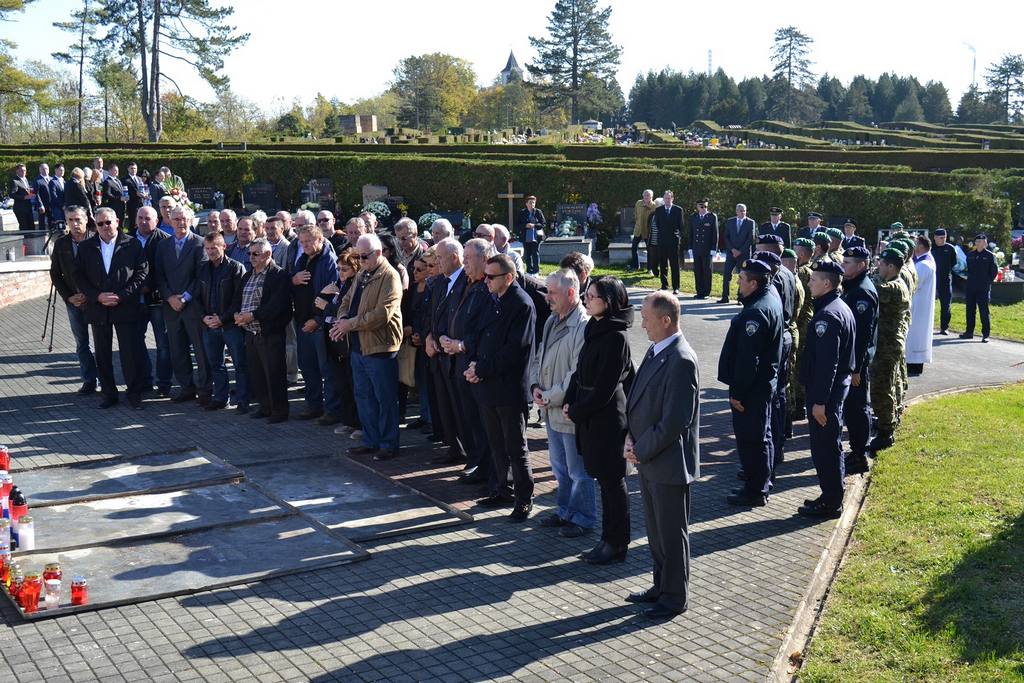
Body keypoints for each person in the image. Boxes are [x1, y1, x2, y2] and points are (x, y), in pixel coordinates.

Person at [625, 291, 700, 620]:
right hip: (648, 459)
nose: (642, 325)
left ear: (666, 320)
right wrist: (630, 437)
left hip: (668, 463)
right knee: (656, 532)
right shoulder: (657, 350)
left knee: (671, 534)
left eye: (646, 319)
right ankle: (661, 586)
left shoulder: (681, 359)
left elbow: (674, 423)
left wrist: (639, 449)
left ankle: (674, 597)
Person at [565, 277, 636, 565]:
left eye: (592, 296)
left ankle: (616, 543)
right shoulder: (595, 328)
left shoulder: (616, 337)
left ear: (608, 302)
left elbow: (606, 388)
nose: (586, 299)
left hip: (607, 421)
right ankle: (607, 539)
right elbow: (580, 370)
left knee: (612, 483)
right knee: (604, 482)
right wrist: (570, 399)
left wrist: (577, 410)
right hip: (590, 416)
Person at [465, 254, 537, 521]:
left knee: (516, 447)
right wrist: (474, 364)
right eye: (485, 275)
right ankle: (502, 489)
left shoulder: (521, 304)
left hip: (508, 389)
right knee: (496, 444)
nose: (485, 281)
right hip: (487, 385)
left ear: (508, 277)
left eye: (491, 277)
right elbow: (477, 333)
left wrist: (481, 369)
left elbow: (514, 350)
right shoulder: (491, 298)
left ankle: (524, 499)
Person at [531, 268, 594, 537]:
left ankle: (583, 518)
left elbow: (577, 373)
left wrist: (549, 396)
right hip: (550, 409)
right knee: (560, 468)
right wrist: (535, 386)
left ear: (570, 293)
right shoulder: (551, 320)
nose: (547, 297)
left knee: (578, 470)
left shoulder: (583, 325)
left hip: (567, 412)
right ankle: (565, 511)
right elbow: (539, 357)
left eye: (552, 292)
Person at [331, 233, 404, 461]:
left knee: (385, 398)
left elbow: (382, 314)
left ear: (379, 253)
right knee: (363, 396)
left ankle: (388, 444)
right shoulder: (362, 274)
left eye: (364, 256)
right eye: (358, 257)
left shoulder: (390, 276)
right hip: (358, 346)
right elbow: (346, 300)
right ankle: (371, 440)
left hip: (380, 346)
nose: (361, 261)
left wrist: (349, 324)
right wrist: (343, 319)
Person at [718, 259, 782, 507]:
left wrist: (737, 393)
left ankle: (755, 491)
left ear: (753, 284)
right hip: (763, 385)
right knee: (762, 436)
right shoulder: (769, 299)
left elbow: (748, 360)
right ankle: (762, 483)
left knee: (752, 440)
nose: (738, 282)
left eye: (742, 279)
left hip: (752, 390)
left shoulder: (755, 312)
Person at [74, 207, 148, 410]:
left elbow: (141, 273)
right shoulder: (86, 247)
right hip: (98, 307)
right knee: (102, 353)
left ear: (117, 221)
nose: (105, 227)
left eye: (108, 222)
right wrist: (96, 296)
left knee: (130, 353)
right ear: (95, 226)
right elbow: (78, 276)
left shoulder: (132, 244)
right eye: (100, 224)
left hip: (125, 306)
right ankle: (109, 394)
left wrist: (121, 296)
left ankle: (134, 394)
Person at [798, 260, 856, 518]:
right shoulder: (838, 307)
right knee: (829, 445)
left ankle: (831, 502)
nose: (809, 283)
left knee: (825, 448)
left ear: (827, 283)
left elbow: (826, 364)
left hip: (826, 394)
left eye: (813, 279)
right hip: (835, 388)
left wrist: (820, 401)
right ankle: (830, 496)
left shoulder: (828, 316)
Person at [437, 239, 494, 484]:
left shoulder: (487, 288)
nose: (465, 262)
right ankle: (476, 462)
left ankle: (487, 468)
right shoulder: (467, 283)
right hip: (457, 361)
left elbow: (484, 329)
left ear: (484, 259)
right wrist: (442, 336)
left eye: (469, 258)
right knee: (467, 417)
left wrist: (461, 344)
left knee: (482, 421)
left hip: (474, 363)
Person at [156, 204, 211, 405]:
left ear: (190, 220)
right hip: (171, 308)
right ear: (170, 221)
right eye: (176, 219)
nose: (180, 223)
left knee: (201, 351)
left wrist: (185, 297)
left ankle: (205, 390)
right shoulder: (163, 245)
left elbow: (201, 275)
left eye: (184, 219)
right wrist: (169, 297)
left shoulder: (199, 243)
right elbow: (159, 275)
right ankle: (187, 388)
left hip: (193, 307)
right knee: (177, 351)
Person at [235, 239, 293, 423]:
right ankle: (265, 406)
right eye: (249, 253)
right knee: (257, 373)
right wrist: (237, 314)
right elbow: (238, 299)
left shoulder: (279, 275)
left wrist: (252, 315)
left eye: (255, 254)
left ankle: (279, 411)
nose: (251, 257)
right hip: (250, 333)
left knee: (274, 373)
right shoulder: (248, 275)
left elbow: (277, 306)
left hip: (269, 332)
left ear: (268, 254)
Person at [292, 224, 342, 425]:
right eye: (302, 242)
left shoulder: (329, 261)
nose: (304, 245)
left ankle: (332, 410)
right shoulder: (302, 259)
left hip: (320, 325)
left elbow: (334, 293)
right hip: (302, 321)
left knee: (326, 370)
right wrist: (293, 280)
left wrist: (317, 320)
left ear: (320, 240)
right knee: (307, 367)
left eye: (308, 241)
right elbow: (294, 287)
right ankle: (314, 406)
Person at [755, 239, 795, 470]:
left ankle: (774, 448)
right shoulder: (787, 272)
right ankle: (779, 443)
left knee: (773, 398)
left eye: (759, 251)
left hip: (776, 339)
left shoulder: (773, 278)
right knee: (780, 393)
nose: (755, 254)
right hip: (786, 335)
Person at [197, 233, 248, 412]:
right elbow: (196, 297)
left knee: (240, 364)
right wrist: (203, 317)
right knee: (216, 364)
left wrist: (222, 318)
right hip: (209, 324)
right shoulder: (202, 269)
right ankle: (220, 398)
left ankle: (243, 400)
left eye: (214, 248)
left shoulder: (236, 268)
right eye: (207, 248)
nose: (210, 252)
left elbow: (239, 299)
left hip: (230, 325)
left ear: (224, 247)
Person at [50, 205, 97, 394]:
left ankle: (107, 380)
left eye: (78, 219)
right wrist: (69, 297)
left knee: (102, 342)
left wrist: (90, 294)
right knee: (81, 343)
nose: (75, 224)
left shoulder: (96, 239)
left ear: (86, 219)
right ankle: (89, 381)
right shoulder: (61, 244)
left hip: (95, 300)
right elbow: (55, 274)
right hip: (74, 301)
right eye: (70, 220)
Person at [840, 246, 879, 476]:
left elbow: (863, 335)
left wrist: (856, 368)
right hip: (852, 360)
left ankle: (859, 455)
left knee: (857, 408)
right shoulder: (853, 286)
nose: (843, 266)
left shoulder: (862, 292)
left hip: (857, 363)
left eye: (848, 263)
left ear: (862, 265)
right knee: (852, 408)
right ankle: (856, 451)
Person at [868, 248, 911, 452]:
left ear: (891, 267)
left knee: (881, 389)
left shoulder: (894, 287)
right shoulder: (895, 283)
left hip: (888, 345)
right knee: (885, 387)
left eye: (882, 264)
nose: (878, 267)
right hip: (887, 343)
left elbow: (872, 290)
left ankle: (886, 432)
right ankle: (887, 422)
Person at [322, 249, 364, 437]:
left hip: (350, 342)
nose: (341, 273)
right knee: (343, 384)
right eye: (338, 269)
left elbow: (348, 310)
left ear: (355, 269)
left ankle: (360, 424)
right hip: (336, 341)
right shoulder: (341, 284)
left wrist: (328, 305)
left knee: (355, 385)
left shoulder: (357, 285)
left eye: (345, 269)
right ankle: (348, 421)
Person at [134, 206, 172, 397]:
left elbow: (167, 271)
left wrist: (150, 286)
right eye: (140, 217)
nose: (143, 221)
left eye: (147, 218)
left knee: (163, 345)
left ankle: (164, 384)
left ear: (156, 221)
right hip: (134, 301)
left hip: (158, 301)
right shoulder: (127, 240)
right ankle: (145, 380)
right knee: (136, 342)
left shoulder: (165, 240)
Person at [907, 235, 936, 375]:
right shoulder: (922, 261)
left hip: (919, 305)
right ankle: (912, 362)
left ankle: (914, 364)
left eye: (915, 244)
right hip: (918, 303)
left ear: (920, 247)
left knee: (916, 335)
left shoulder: (924, 264)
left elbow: (913, 284)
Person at [961, 233, 998, 342]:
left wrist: (987, 282)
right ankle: (969, 332)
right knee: (970, 310)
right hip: (971, 287)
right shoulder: (970, 255)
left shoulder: (990, 256)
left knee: (984, 311)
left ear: (985, 243)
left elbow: (994, 272)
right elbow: (967, 269)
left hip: (983, 288)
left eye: (981, 242)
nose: (979, 244)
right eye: (977, 242)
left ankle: (985, 334)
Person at [720, 204, 756, 303]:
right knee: (726, 275)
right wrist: (732, 250)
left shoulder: (750, 222)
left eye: (744, 211)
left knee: (743, 276)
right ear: (736, 211)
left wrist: (740, 251)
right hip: (731, 253)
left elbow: (750, 239)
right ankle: (725, 297)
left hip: (744, 254)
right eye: (740, 210)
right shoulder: (730, 221)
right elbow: (726, 237)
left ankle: (740, 298)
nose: (742, 212)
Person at [652, 190, 683, 294]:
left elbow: (681, 226)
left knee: (674, 265)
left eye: (669, 198)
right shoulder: (659, 210)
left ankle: (676, 287)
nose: (667, 200)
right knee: (663, 264)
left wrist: (677, 237)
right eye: (665, 198)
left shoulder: (678, 210)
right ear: (663, 199)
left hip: (673, 241)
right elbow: (658, 225)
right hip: (662, 241)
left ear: (672, 199)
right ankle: (664, 286)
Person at [689, 198, 718, 299]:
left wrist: (714, 248)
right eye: (701, 206)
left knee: (707, 271)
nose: (703, 208)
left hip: (707, 249)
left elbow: (715, 234)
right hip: (696, 248)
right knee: (697, 270)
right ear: (697, 207)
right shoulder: (693, 217)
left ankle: (706, 292)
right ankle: (699, 291)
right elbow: (691, 233)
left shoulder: (712, 217)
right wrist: (690, 247)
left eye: (705, 206)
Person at [930, 228, 957, 335]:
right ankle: (928, 326)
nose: (943, 239)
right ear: (935, 238)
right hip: (932, 280)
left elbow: (954, 262)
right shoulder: (930, 248)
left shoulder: (950, 248)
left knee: (946, 305)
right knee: (928, 304)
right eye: (941, 238)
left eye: (944, 237)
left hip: (945, 280)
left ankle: (944, 327)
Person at [516, 195, 545, 275]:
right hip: (526, 237)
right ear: (526, 204)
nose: (532, 204)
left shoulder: (538, 212)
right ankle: (529, 271)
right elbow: (518, 225)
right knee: (527, 254)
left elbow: (543, 224)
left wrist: (534, 225)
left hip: (536, 236)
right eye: (530, 202)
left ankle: (536, 271)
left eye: (533, 203)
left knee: (535, 253)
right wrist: (525, 225)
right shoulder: (522, 212)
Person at [631, 190, 656, 273]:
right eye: (645, 195)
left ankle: (650, 268)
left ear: (651, 196)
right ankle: (635, 266)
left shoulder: (654, 206)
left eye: (648, 195)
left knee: (650, 250)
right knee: (634, 248)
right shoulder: (638, 203)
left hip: (647, 231)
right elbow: (635, 214)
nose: (646, 196)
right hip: (638, 230)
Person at [9, 163, 34, 230]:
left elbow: (25, 190)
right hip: (20, 208)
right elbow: (11, 194)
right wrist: (24, 197)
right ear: (17, 171)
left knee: (31, 227)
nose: (24, 172)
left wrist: (31, 191)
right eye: (22, 170)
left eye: (25, 170)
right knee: (24, 228)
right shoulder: (15, 181)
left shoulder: (25, 179)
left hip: (28, 207)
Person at [124, 162, 146, 226]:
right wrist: (135, 194)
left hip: (140, 203)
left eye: (135, 168)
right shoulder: (125, 179)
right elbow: (124, 192)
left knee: (141, 221)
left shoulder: (139, 178)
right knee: (133, 222)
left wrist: (144, 194)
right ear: (128, 169)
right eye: (132, 168)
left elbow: (142, 189)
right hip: (132, 204)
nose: (133, 170)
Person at [34, 164, 52, 233]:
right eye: (43, 169)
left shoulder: (52, 179)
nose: (45, 170)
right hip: (42, 206)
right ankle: (42, 235)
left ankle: (52, 234)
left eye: (46, 169)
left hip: (51, 204)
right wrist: (40, 205)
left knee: (51, 221)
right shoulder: (37, 180)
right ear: (40, 170)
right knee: (42, 222)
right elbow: (36, 194)